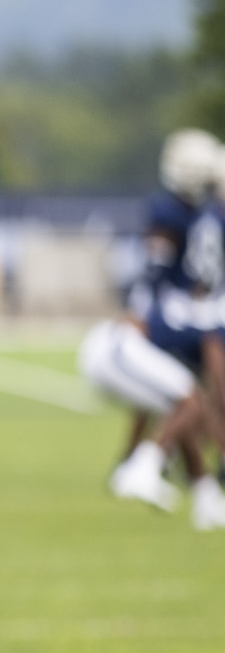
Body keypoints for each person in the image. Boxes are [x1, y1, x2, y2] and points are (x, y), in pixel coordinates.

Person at [90, 132, 225, 525]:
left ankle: (184, 484)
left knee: (179, 400)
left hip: (169, 315)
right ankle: (142, 466)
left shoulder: (192, 217)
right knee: (186, 400)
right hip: (164, 322)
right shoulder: (189, 218)